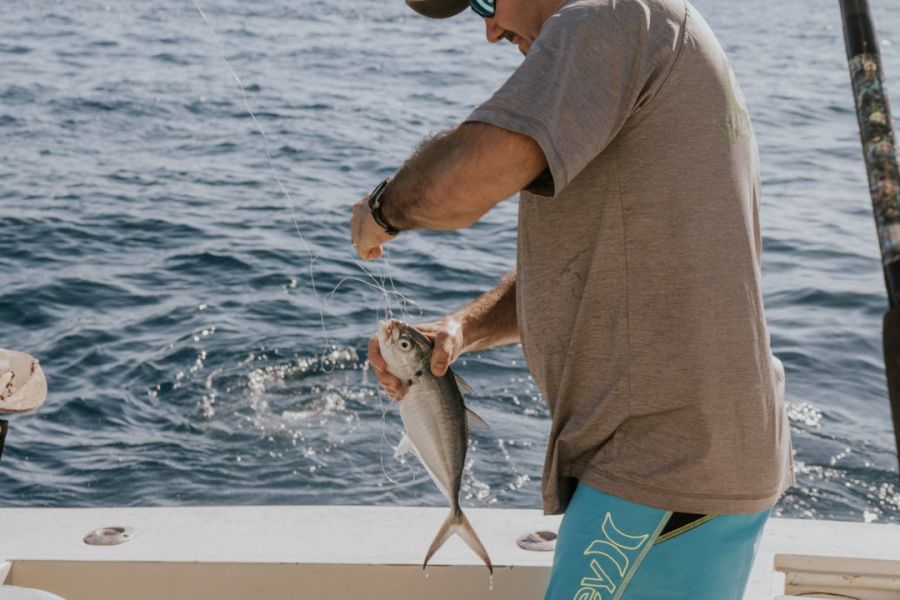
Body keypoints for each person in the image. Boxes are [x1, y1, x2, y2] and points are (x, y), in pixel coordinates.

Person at [349, 0, 794, 597]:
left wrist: (383, 210)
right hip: (685, 463)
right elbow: (589, 268)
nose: (490, 30)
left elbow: (459, 184)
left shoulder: (604, 18)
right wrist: (461, 329)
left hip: (661, 466)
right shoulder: (646, 26)